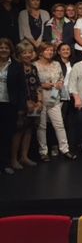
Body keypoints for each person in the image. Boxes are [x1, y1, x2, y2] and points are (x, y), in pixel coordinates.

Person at [34, 43, 75, 161]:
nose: (50, 52)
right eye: (47, 50)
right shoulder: (35, 65)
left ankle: (65, 149)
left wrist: (59, 84)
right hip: (40, 98)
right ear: (41, 52)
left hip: (54, 98)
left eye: (51, 50)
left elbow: (61, 78)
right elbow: (31, 83)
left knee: (59, 125)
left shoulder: (56, 64)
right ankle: (43, 152)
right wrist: (42, 85)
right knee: (41, 126)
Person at [11, 41, 42, 169]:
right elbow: (15, 89)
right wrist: (25, 103)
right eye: (24, 52)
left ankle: (24, 157)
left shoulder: (33, 67)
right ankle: (13, 159)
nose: (28, 55)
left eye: (30, 52)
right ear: (19, 54)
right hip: (21, 104)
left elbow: (38, 86)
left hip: (34, 104)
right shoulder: (15, 68)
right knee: (18, 131)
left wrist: (40, 101)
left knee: (29, 130)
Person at [0, 38, 26, 174]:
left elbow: (22, 89)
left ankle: (4, 164)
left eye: (6, 48)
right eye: (1, 47)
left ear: (10, 50)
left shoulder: (16, 65)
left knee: (6, 136)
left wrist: (21, 109)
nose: (3, 50)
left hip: (9, 105)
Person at [54, 42, 74, 151]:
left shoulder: (73, 63)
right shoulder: (55, 63)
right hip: (58, 94)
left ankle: (67, 145)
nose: (66, 51)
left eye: (68, 49)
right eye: (63, 49)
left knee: (68, 121)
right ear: (58, 52)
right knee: (58, 121)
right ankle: (55, 145)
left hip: (71, 94)